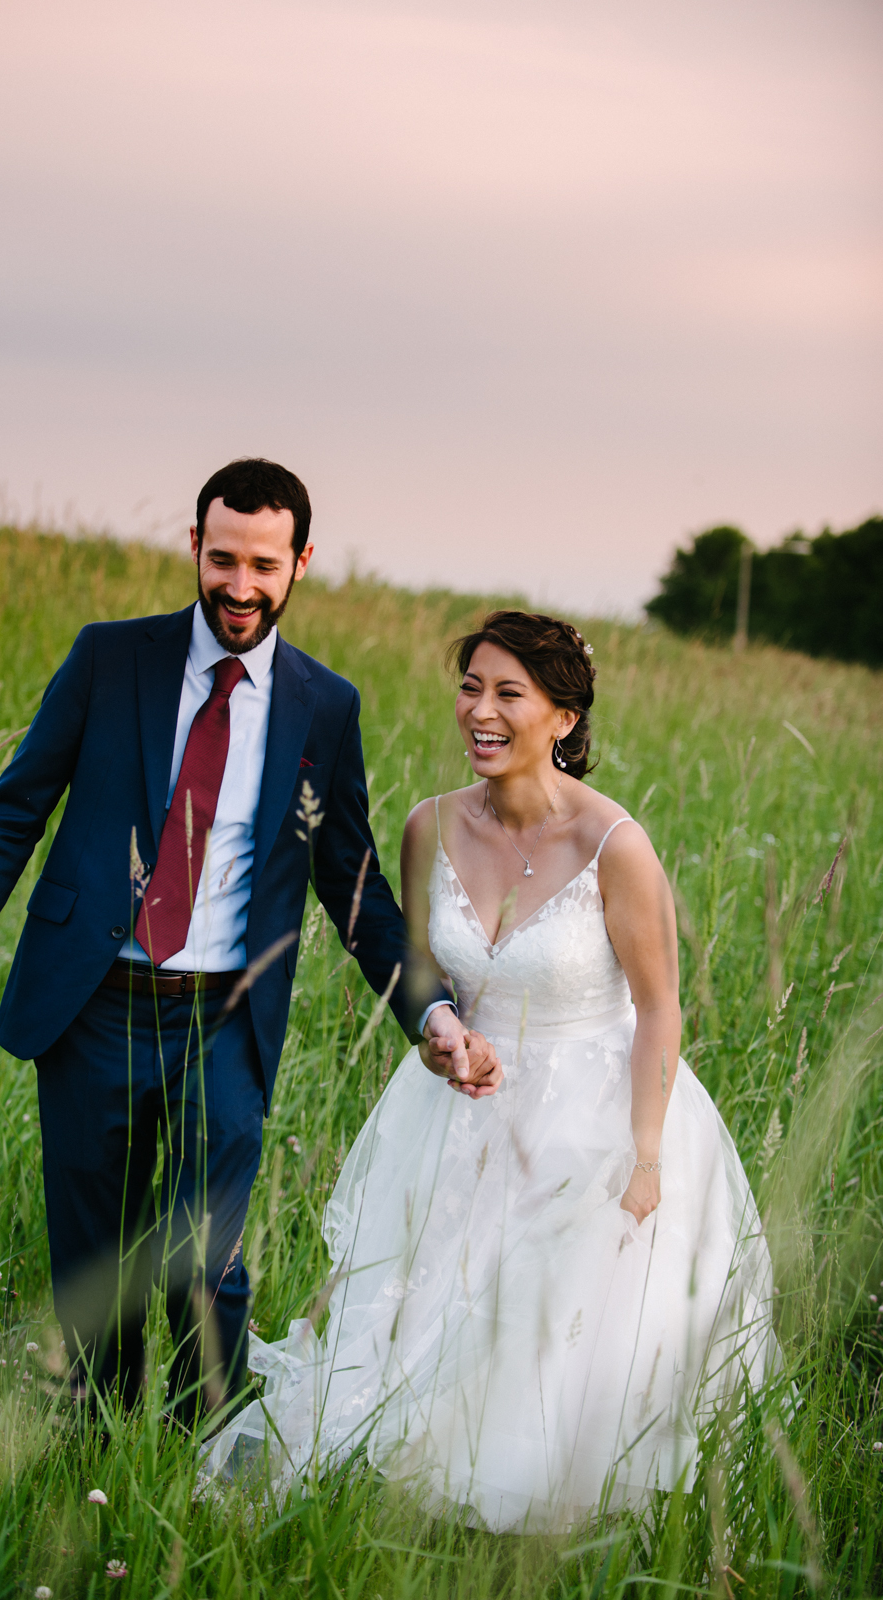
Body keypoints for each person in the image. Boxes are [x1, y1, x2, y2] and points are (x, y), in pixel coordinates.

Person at [0, 458, 501, 1422]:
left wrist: (426, 1009)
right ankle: (97, 1446)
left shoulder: (323, 705)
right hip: (95, 1004)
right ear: (194, 548)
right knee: (94, 1259)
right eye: (223, 560)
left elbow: (351, 885)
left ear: (301, 562)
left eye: (264, 564)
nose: (240, 587)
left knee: (202, 1257)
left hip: (225, 1016)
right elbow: (11, 815)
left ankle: (205, 1442)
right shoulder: (110, 659)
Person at [203, 610, 778, 1531]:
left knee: (547, 1340)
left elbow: (660, 1008)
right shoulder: (427, 825)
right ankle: (404, 1480)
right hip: (457, 1112)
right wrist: (442, 1039)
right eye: (471, 686)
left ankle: (526, 1512)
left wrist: (643, 1159)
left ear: (563, 718)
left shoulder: (614, 846)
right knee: (413, 1323)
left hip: (593, 1113)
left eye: (511, 693)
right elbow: (423, 977)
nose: (482, 710)